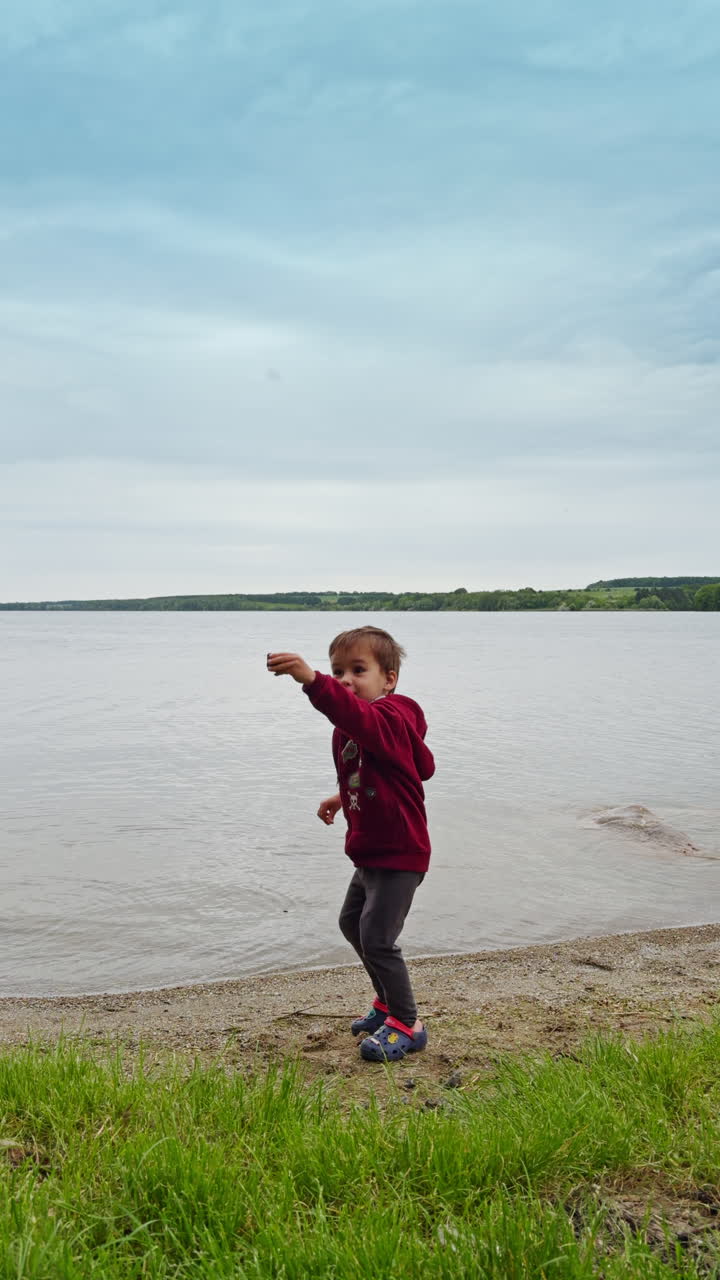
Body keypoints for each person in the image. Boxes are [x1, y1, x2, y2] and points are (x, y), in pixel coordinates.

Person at [267, 626, 435, 1062]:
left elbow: (361, 721)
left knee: (378, 939)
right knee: (351, 923)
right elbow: (382, 772)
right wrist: (343, 797)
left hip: (400, 853)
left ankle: (408, 1023)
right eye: (338, 671)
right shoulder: (364, 728)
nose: (344, 679)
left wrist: (313, 680)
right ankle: (385, 1004)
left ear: (389, 679)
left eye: (358, 670)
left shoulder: (391, 718)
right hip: (371, 850)